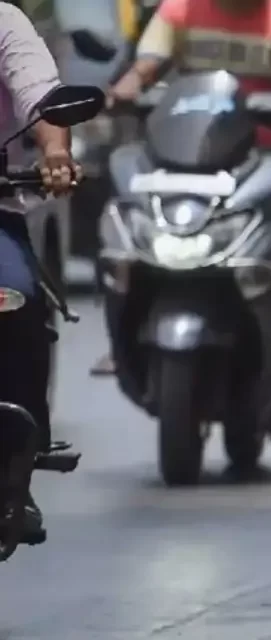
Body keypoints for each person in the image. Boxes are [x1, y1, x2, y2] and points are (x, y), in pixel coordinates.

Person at [91, 0, 271, 375]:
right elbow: (145, 67)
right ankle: (121, 335)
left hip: (265, 155)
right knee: (117, 218)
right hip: (183, 155)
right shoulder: (179, 10)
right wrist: (121, 91)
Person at [0, 1, 83, 543]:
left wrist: (54, 150)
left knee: (17, 297)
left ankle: (16, 468)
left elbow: (42, 97)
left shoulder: (4, 22)